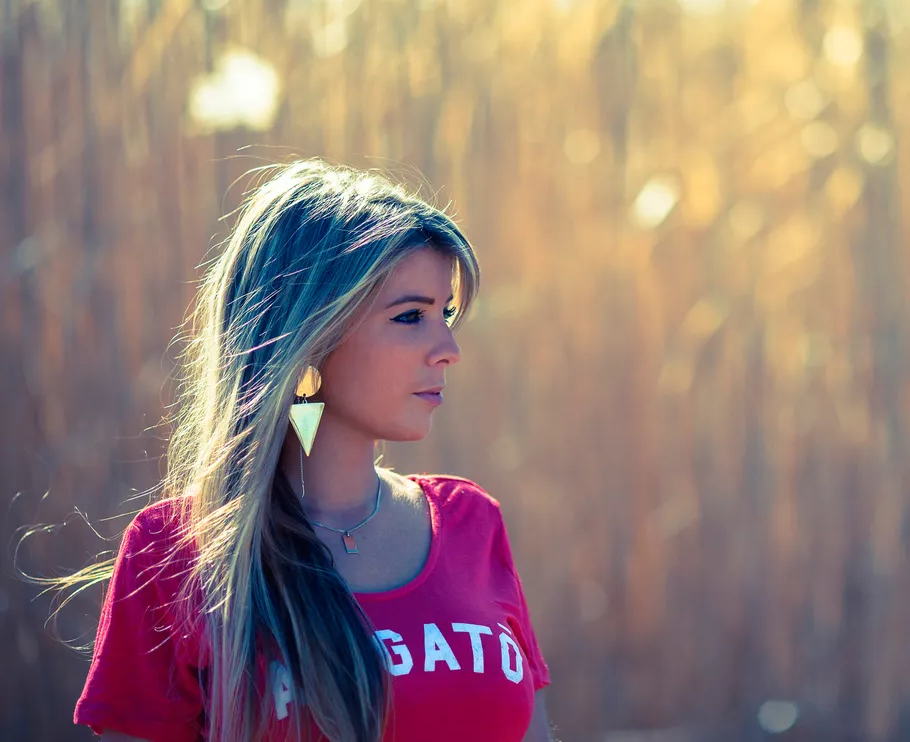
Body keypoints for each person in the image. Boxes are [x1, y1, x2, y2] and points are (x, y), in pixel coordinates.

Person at [56, 160, 553, 741]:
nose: (447, 348)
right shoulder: (175, 555)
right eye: (411, 316)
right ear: (310, 336)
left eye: (444, 314)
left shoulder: (473, 523)